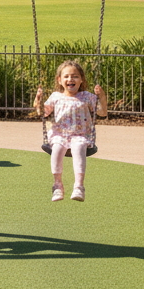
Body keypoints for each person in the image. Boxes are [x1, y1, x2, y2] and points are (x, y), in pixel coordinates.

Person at [34, 60, 107, 202]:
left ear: (81, 79)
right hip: (59, 135)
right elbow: (42, 112)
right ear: (59, 80)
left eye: (75, 76)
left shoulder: (87, 96)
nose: (70, 79)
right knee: (56, 149)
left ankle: (79, 186)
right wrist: (38, 100)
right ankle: (57, 185)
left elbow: (102, 112)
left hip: (81, 135)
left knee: (79, 147)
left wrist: (102, 96)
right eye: (66, 76)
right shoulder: (56, 96)